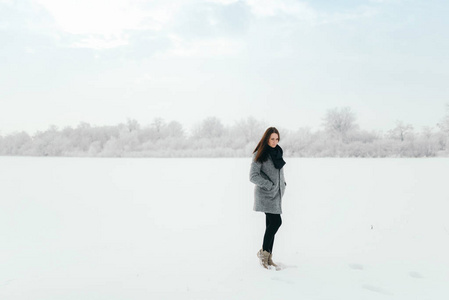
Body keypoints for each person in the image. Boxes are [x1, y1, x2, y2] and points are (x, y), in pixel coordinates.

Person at [249, 127, 286, 270]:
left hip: (276, 195)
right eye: (272, 139)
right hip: (266, 195)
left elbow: (279, 173)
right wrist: (269, 185)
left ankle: (269, 257)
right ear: (266, 139)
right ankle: (263, 254)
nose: (275, 142)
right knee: (276, 222)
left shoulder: (278, 152)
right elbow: (253, 176)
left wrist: (283, 184)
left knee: (270, 224)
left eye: (277, 139)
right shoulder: (260, 154)